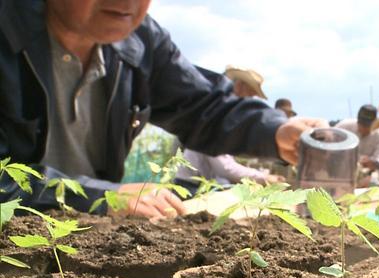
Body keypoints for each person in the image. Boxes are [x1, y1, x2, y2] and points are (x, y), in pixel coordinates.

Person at [0, 0, 323, 220]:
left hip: (84, 235)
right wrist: (103, 198)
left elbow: (204, 106)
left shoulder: (140, 42)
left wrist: (275, 130)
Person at [177, 66, 284, 185]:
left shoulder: (222, 117)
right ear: (239, 87)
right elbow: (225, 169)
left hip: (202, 183)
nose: (252, 101)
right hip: (190, 186)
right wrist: (264, 177)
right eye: (250, 94)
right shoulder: (219, 117)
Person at [335, 105, 379, 181]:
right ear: (358, 121)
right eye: (361, 124)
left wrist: (371, 161)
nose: (363, 128)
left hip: (368, 174)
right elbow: (330, 138)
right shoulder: (345, 126)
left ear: (374, 124)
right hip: (342, 172)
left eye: (367, 125)